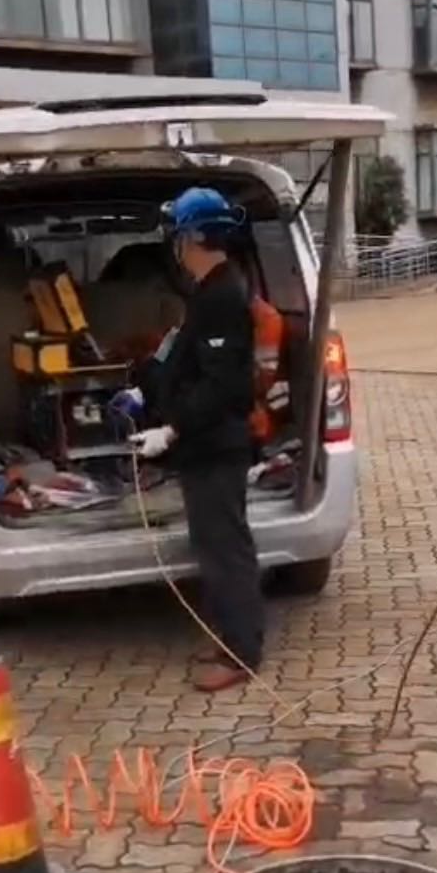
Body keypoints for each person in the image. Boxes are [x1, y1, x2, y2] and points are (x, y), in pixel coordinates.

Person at [130, 187, 264, 693]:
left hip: (217, 447)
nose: (175, 246)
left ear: (196, 237)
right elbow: (189, 364)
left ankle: (241, 653)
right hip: (203, 447)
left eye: (179, 235)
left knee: (227, 549)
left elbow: (222, 384)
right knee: (211, 547)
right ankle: (228, 635)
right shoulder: (208, 292)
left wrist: (173, 428)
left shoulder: (223, 297)